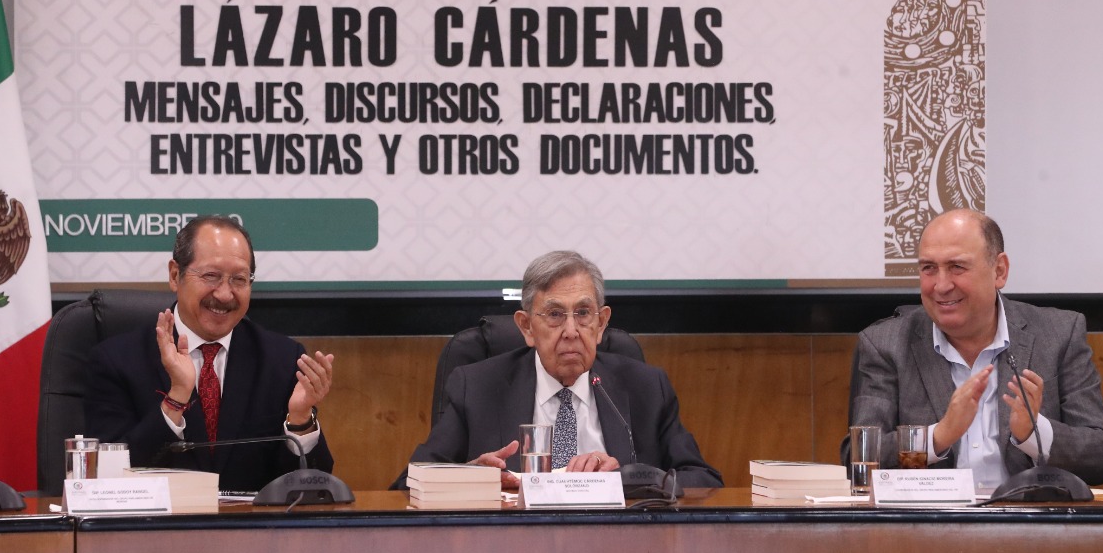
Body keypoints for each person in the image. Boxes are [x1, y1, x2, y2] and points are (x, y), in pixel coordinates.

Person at [842, 209, 1103, 492]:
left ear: (999, 271)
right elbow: (858, 459)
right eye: (929, 268)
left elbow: (1102, 457)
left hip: (1030, 518)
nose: (941, 285)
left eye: (957, 267)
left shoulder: (1058, 334)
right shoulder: (886, 344)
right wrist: (938, 437)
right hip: (931, 518)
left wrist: (1034, 433)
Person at [402, 250, 723, 489]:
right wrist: (472, 478)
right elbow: (409, 482)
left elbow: (703, 480)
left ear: (601, 323)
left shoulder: (647, 388)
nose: (571, 331)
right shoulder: (477, 387)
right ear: (526, 327)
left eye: (583, 313)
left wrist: (623, 479)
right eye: (555, 315)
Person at [85, 215, 334, 491]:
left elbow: (310, 490)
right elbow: (108, 481)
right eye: (211, 276)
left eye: (239, 279)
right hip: (160, 518)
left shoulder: (282, 360)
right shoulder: (116, 361)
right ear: (174, 275)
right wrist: (175, 400)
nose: (225, 294)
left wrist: (300, 420)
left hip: (250, 519)